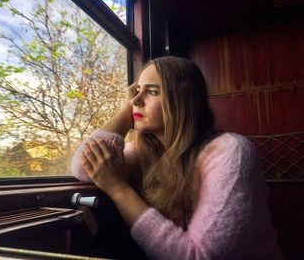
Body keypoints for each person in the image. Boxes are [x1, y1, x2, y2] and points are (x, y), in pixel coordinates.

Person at [71, 56, 284, 259]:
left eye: (152, 92)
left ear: (182, 100)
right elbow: (83, 166)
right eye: (137, 91)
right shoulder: (145, 152)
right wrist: (130, 109)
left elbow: (201, 256)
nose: (136, 99)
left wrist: (118, 190)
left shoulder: (230, 152)